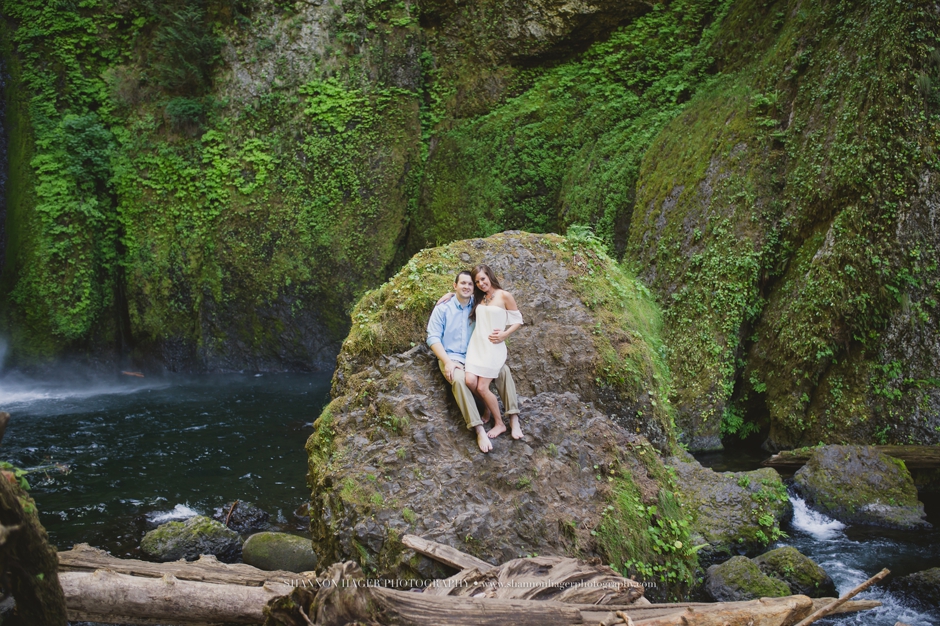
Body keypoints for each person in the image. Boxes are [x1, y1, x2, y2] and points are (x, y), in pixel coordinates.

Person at [427, 270, 520, 453]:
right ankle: (478, 428)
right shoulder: (443, 308)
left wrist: (503, 335)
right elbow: (432, 338)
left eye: (470, 284)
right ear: (455, 286)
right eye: (463, 283)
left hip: (475, 354)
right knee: (460, 379)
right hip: (452, 357)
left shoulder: (477, 304)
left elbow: (501, 309)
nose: (467, 287)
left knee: (504, 370)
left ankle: (513, 417)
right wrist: (447, 361)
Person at [464, 264, 524, 440]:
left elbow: (518, 320)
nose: (481, 283)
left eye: (483, 279)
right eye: (477, 282)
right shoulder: (479, 298)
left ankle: (500, 423)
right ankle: (488, 408)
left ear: (489, 276)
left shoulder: (504, 295)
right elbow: (461, 294)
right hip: (476, 346)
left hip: (493, 346)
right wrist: (448, 295)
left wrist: (505, 334)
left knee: (483, 387)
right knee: (470, 381)